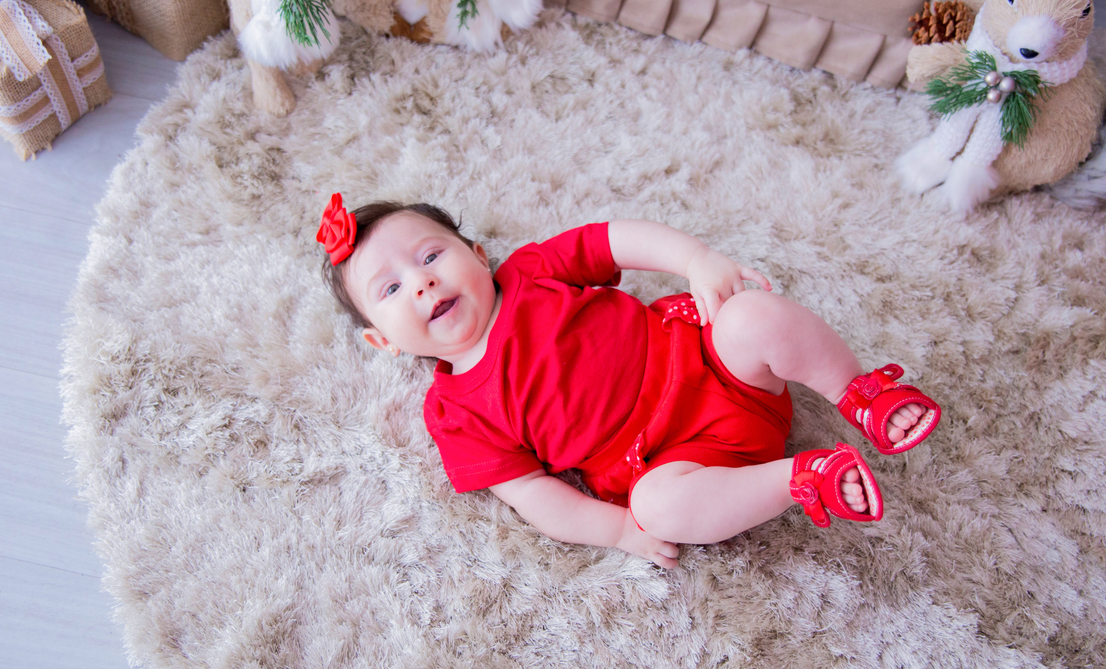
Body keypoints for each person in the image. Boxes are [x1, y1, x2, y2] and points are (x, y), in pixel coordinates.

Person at [317, 195, 941, 568]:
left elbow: (614, 239)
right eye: (392, 289)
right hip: (679, 459)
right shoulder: (453, 414)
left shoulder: (530, 273)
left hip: (709, 360)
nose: (422, 281)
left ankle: (859, 393)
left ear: (477, 255)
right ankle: (803, 478)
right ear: (384, 341)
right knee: (657, 508)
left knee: (752, 315)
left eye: (431, 256)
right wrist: (617, 531)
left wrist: (696, 259)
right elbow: (533, 495)